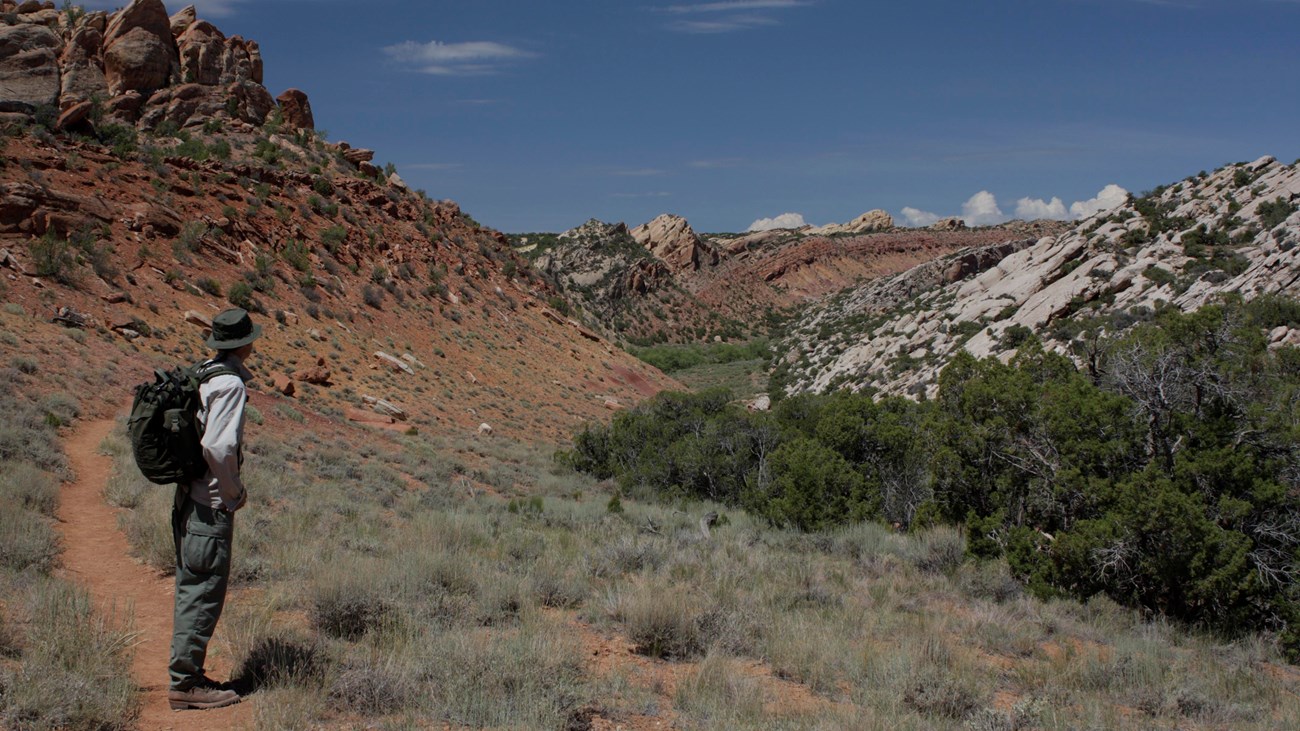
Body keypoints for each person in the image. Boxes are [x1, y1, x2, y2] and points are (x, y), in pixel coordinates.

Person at [167, 308, 260, 711]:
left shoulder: (203, 372)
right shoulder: (230, 384)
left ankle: (187, 675)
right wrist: (234, 493)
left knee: (192, 586)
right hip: (210, 504)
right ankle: (186, 684)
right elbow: (219, 447)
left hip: (189, 496)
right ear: (245, 343)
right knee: (203, 592)